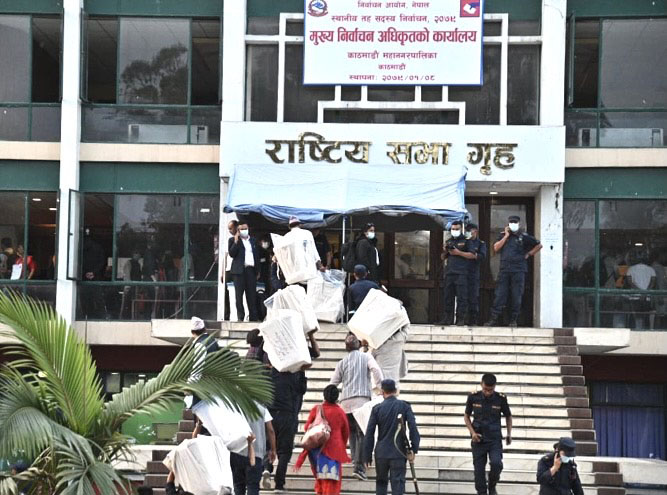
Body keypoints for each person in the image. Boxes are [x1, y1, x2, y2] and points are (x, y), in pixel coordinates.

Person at [329, 334, 384, 480]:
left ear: (346, 348)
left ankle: (355, 459)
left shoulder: (342, 362)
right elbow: (376, 370)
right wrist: (380, 386)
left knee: (352, 433)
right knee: (362, 434)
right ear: (358, 345)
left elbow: (333, 383)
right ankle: (359, 468)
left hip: (345, 403)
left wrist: (330, 400)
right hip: (361, 402)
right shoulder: (366, 357)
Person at [363, 379, 420, 495]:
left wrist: (367, 455)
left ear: (382, 392)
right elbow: (413, 428)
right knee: (398, 484)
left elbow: (369, 433)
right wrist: (414, 448)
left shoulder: (377, 409)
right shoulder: (404, 406)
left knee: (381, 483)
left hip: (381, 453)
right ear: (395, 390)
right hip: (399, 452)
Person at [485, 215, 542, 327]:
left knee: (517, 295)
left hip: (518, 270)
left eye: (515, 222)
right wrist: (506, 236)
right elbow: (496, 248)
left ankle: (513, 320)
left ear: (519, 224)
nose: (513, 224)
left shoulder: (523, 236)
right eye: (511, 222)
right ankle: (494, 319)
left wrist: (529, 254)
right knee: (500, 295)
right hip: (505, 270)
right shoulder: (503, 235)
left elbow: (539, 245)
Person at [295, 385, 351, 495]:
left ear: (324, 395)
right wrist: (342, 446)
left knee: (320, 480)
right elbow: (346, 432)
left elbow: (307, 428)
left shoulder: (317, 409)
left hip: (317, 450)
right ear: (337, 397)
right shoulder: (340, 412)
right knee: (332, 483)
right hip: (334, 450)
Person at [464, 373, 512, 495]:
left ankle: (492, 485)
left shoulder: (500, 399)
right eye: (485, 389)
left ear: (494, 387)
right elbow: (466, 416)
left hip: (494, 439)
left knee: (497, 464)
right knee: (479, 472)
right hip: (478, 439)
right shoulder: (473, 397)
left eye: (490, 390)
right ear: (481, 384)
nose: (487, 392)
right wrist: (472, 433)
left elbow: (508, 416)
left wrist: (509, 433)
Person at [265, 365, 307, 493]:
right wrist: (302, 373)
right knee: (285, 451)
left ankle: (267, 467)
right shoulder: (292, 377)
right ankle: (279, 484)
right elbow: (301, 390)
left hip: (270, 415)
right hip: (287, 415)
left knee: (269, 444)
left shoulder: (270, 375)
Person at [230, 402, 277, 495]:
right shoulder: (262, 408)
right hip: (256, 454)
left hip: (237, 452)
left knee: (238, 486)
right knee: (253, 486)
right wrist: (273, 450)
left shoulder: (235, 406)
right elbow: (270, 430)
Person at [440, 220, 475, 326]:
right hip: (449, 272)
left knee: (462, 297)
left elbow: (472, 255)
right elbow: (443, 257)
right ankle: (447, 319)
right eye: (453, 229)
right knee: (448, 297)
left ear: (461, 229)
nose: (454, 231)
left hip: (461, 273)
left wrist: (458, 253)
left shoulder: (466, 241)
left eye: (457, 229)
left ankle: (461, 319)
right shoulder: (449, 241)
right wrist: (445, 250)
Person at [228, 223, 261, 322]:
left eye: (245, 228)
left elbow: (257, 256)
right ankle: (240, 316)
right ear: (238, 230)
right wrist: (236, 241)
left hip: (251, 270)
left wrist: (258, 270)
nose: (244, 230)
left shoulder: (253, 240)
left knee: (251, 295)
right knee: (239, 295)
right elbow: (232, 254)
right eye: (241, 229)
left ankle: (253, 317)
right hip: (239, 271)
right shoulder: (232, 240)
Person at [466, 223, 487, 325]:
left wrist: (473, 255)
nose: (469, 233)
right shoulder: (464, 242)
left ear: (476, 231)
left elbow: (482, 256)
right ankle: (461, 318)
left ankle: (473, 319)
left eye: (471, 231)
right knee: (462, 297)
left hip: (473, 273)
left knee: (473, 297)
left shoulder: (481, 243)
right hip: (462, 272)